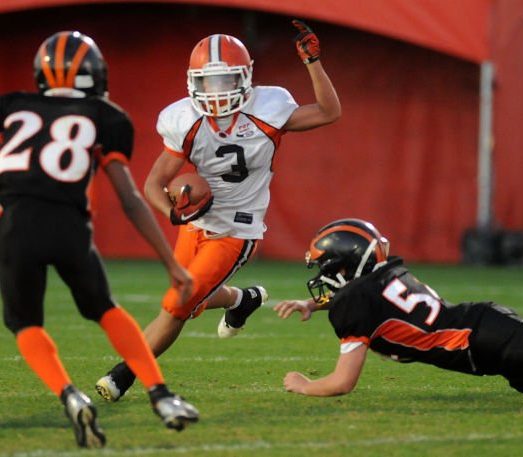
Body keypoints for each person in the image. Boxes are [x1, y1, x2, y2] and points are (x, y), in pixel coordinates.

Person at [95, 19, 341, 401]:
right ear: (193, 82)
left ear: (245, 77)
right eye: (208, 82)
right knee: (188, 303)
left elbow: (328, 111)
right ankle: (244, 299)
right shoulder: (184, 119)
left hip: (237, 229)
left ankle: (122, 375)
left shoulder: (268, 108)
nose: (217, 90)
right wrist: (174, 213)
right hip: (195, 224)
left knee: (177, 305)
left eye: (226, 80)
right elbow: (153, 183)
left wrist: (313, 63)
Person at [0, 31, 199, 448]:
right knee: (105, 310)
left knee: (25, 323)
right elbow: (129, 198)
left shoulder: (12, 106)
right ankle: (161, 396)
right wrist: (171, 263)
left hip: (15, 227)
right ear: (95, 74)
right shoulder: (107, 116)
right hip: (69, 227)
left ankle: (69, 395)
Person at [274, 218, 523, 398]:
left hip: (490, 341)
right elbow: (356, 295)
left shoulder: (356, 303)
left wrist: (304, 385)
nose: (323, 275)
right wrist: (310, 304)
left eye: (327, 267)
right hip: (487, 336)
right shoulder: (384, 275)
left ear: (347, 265)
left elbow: (342, 382)